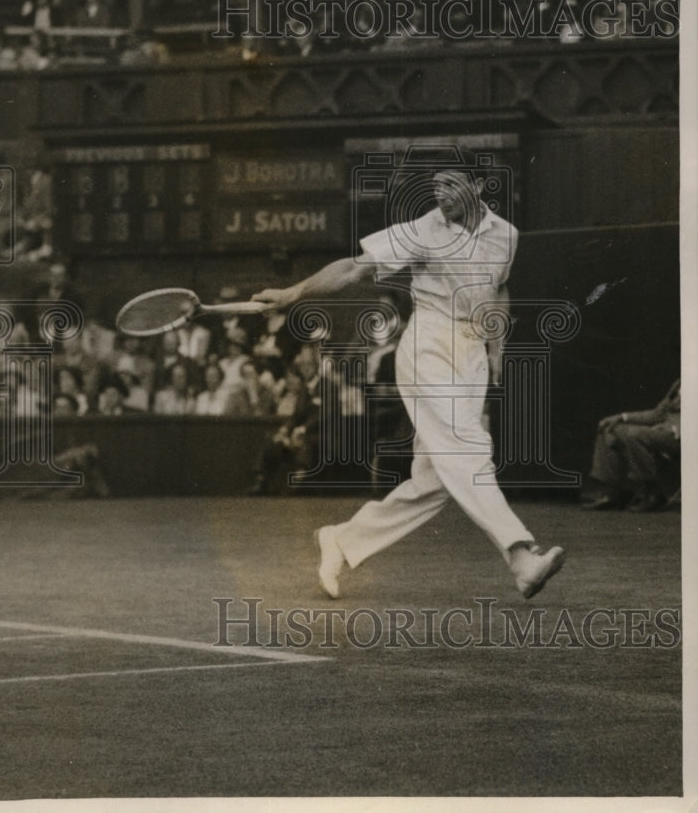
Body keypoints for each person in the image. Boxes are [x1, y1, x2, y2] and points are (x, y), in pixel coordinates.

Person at [252, 163, 565, 600]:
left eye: (452, 185)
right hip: (429, 344)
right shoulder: (423, 229)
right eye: (436, 186)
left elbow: (499, 289)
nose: (442, 194)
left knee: (436, 479)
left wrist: (496, 347)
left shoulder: (506, 234)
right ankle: (520, 555)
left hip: (472, 352)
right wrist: (290, 294)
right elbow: (353, 269)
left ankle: (342, 539)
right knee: (467, 446)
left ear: (478, 187)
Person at [583, 379, 681, 512]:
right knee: (610, 429)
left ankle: (653, 491)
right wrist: (621, 417)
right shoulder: (680, 383)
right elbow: (656, 415)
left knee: (633, 434)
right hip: (664, 432)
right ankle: (613, 492)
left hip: (685, 437)